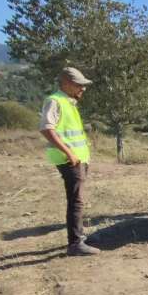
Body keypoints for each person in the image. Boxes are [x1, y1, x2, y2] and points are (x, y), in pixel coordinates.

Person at [39, 67, 100, 256]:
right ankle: (75, 243)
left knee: (77, 199)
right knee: (76, 201)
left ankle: (78, 237)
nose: (83, 89)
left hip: (77, 159)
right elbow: (46, 129)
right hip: (69, 160)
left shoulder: (68, 102)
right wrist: (69, 153)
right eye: (79, 85)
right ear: (66, 83)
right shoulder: (54, 101)